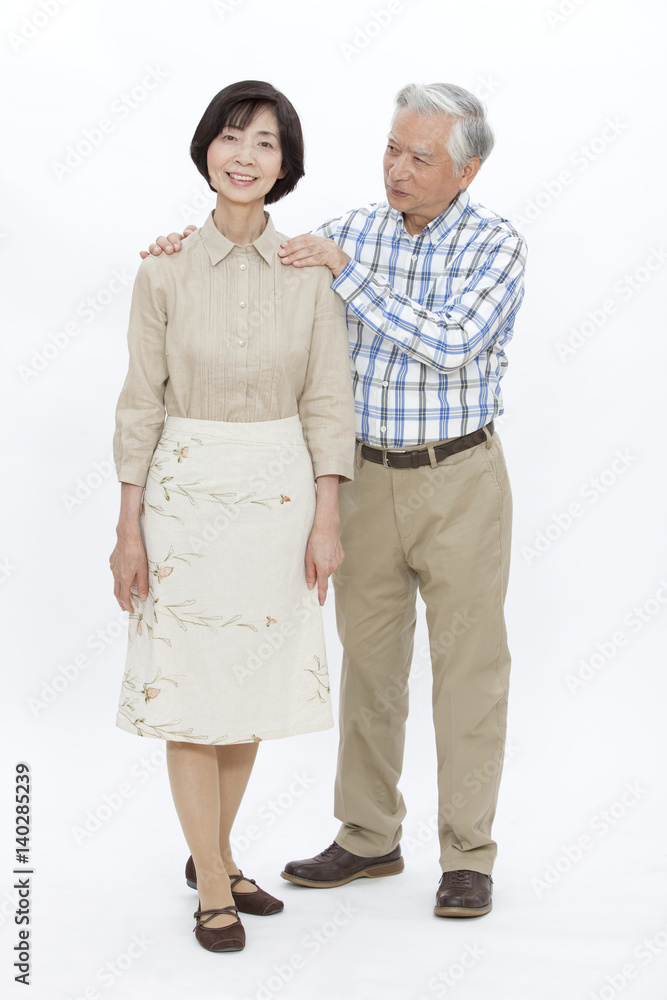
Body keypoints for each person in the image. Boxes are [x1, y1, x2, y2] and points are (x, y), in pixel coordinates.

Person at [145, 81, 526, 918]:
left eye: (419, 156)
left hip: (459, 479)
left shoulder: (494, 246)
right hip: (361, 479)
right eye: (391, 147)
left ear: (465, 172)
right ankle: (368, 835)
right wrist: (182, 248)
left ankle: (466, 854)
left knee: (468, 671)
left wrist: (347, 278)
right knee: (369, 667)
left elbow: (452, 344)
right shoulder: (349, 232)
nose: (397, 168)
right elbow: (256, 255)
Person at [110, 79, 355, 953]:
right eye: (230, 135)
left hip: (278, 500)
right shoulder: (163, 268)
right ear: (205, 148)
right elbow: (140, 403)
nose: (243, 156)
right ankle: (213, 881)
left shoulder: (309, 275)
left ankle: (210, 854)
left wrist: (327, 517)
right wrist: (126, 527)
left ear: (285, 166)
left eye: (265, 142)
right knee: (187, 692)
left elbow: (327, 400)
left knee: (247, 690)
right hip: (181, 498)